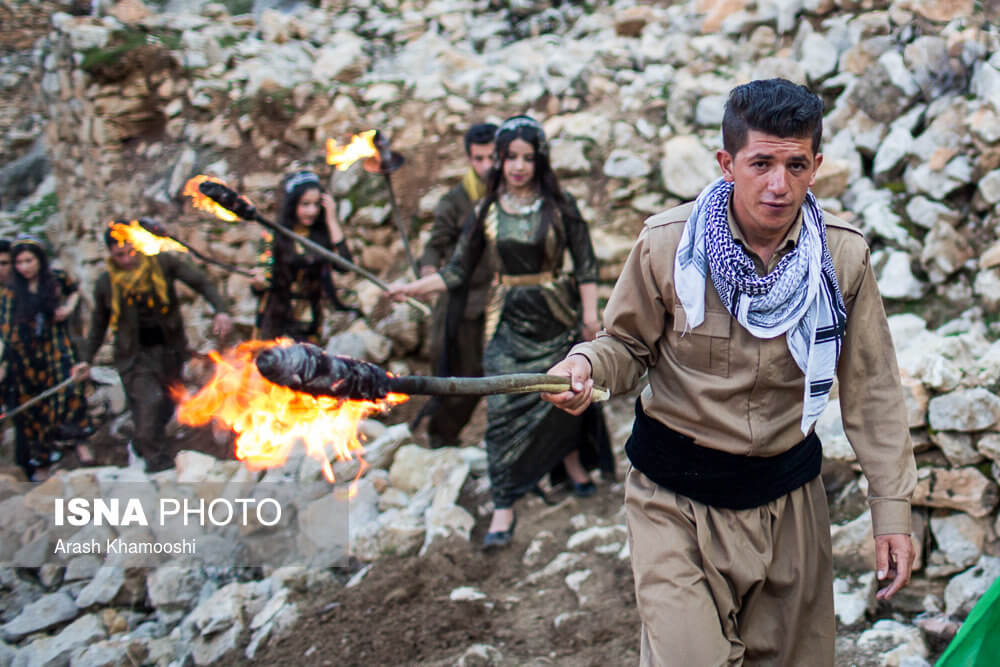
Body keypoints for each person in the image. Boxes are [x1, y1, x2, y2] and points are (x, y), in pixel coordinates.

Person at [543, 79, 917, 665]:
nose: (779, 184)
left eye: (796, 165)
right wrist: (587, 365)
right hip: (677, 505)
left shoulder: (841, 258)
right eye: (761, 162)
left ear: (816, 165)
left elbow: (872, 390)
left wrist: (891, 508)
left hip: (788, 507)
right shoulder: (670, 246)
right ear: (727, 163)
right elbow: (625, 344)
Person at [389, 115, 613, 549]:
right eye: (510, 157)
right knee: (503, 418)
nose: (517, 166)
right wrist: (413, 287)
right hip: (507, 322)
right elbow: (457, 270)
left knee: (563, 395)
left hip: (555, 314)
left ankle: (572, 466)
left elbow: (585, 266)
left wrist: (590, 317)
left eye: (527, 158)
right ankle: (505, 502)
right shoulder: (486, 210)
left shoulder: (560, 205)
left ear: (539, 160)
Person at [73, 222, 232, 472]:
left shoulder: (163, 265)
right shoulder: (107, 284)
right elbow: (98, 326)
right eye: (119, 255)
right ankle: (158, 466)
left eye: (130, 251)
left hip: (169, 352)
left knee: (166, 406)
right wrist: (86, 359)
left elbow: (201, 283)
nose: (126, 259)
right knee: (150, 403)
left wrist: (221, 311)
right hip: (134, 358)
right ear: (110, 255)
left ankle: (140, 445)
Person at [415, 122, 497, 448]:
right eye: (479, 158)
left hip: (503, 299)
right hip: (463, 304)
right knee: (462, 374)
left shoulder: (515, 195)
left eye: (493, 157)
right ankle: (442, 437)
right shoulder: (455, 201)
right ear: (469, 159)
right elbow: (435, 244)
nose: (487, 165)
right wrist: (429, 274)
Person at [0, 234, 92, 480]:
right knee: (33, 410)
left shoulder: (56, 280)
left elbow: (75, 291)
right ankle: (41, 463)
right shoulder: (11, 291)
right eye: (19, 263)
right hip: (25, 358)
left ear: (39, 259)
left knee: (69, 391)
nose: (24, 267)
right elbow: (7, 328)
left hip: (55, 348)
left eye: (28, 261)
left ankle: (81, 445)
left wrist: (68, 309)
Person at [251, 170, 356, 341]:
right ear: (292, 205)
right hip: (277, 316)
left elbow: (344, 266)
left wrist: (332, 219)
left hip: (309, 318)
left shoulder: (321, 234)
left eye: (316, 204)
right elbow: (263, 278)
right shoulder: (273, 235)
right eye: (305, 204)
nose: (312, 211)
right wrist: (258, 283)